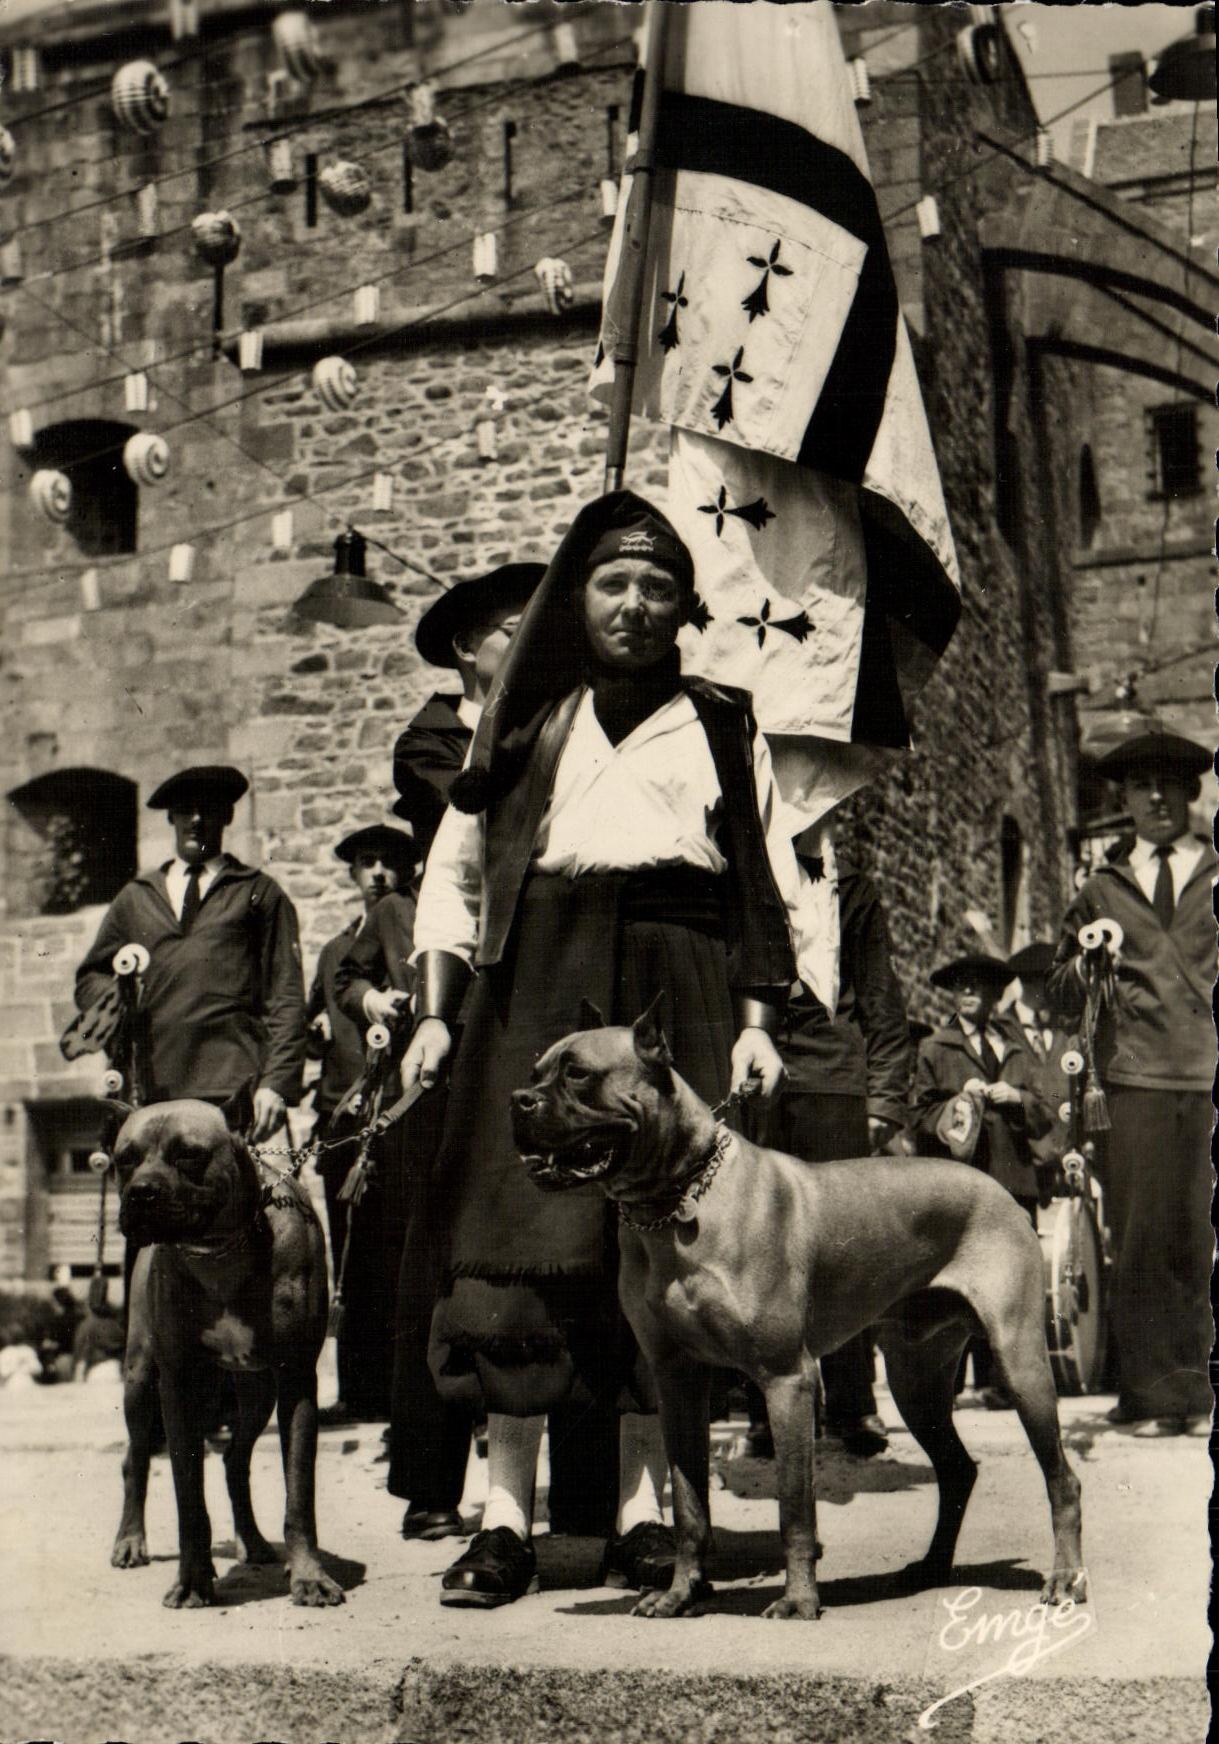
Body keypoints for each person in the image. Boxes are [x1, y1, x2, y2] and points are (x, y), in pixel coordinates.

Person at [401, 490, 835, 1608]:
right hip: (532, 991)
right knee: (515, 1264)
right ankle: (505, 1523)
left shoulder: (722, 724)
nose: (634, 605)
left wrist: (754, 1025)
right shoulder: (524, 718)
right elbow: (454, 876)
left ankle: (652, 1521)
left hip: (673, 994)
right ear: (575, 601)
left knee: (666, 1263)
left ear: (684, 606)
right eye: (610, 584)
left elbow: (765, 883)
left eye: (654, 587)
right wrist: (440, 1014)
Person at [1047, 724, 1214, 1437]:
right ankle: (1150, 1397)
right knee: (1141, 1239)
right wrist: (1083, 971)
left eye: (1168, 785)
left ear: (1189, 793)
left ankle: (1199, 1396)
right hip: (1135, 1081)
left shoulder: (1215, 872)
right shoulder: (1100, 889)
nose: (1155, 798)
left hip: (1209, 1078)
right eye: (1141, 787)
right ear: (1124, 798)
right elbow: (1056, 988)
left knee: (1199, 1236)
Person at [765, 832, 912, 1457]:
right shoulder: (745, 877)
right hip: (760, 1078)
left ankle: (853, 1404)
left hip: (834, 1082)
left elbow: (881, 1001)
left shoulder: (851, 892)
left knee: (844, 1243)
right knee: (760, 1249)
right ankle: (765, 1409)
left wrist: (883, 1099)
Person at [73, 765, 306, 1138]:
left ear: (227, 815)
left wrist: (275, 1083)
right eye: (185, 810)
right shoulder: (136, 898)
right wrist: (116, 1001)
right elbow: (90, 978)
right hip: (152, 1090)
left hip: (233, 1089)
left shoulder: (258, 893)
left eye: (209, 809)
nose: (196, 820)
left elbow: (287, 996)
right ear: (171, 817)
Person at [306, 823, 418, 1425]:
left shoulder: (415, 932)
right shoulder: (333, 954)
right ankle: (358, 1390)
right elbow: (305, 1021)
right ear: (352, 875)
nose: (377, 872)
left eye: (388, 863)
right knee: (351, 1252)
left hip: (398, 1115)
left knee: (400, 1248)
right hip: (341, 1117)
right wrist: (316, 1029)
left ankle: (408, 1395)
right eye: (366, 864)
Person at [912, 952, 1052, 1408]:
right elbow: (920, 1116)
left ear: (995, 995)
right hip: (963, 1186)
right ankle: (946, 1383)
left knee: (1011, 1281)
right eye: (962, 985)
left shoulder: (1014, 1048)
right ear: (953, 994)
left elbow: (1043, 1111)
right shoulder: (936, 1048)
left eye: (980, 985)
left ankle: (1003, 1381)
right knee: (956, 1280)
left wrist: (1018, 1097)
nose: (969, 992)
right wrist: (957, 1104)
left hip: (1012, 1181)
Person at [392, 562, 545, 862]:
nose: (535, 646)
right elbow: (484, 815)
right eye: (518, 631)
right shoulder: (424, 748)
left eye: (539, 632)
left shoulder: (555, 722)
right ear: (465, 647)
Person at [1000, 942, 1072, 1199]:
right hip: (1020, 1170)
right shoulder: (1000, 1030)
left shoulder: (1064, 1032)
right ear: (1036, 983)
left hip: (1063, 1169)